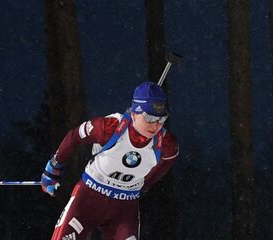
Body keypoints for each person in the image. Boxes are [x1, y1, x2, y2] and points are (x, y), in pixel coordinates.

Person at [42, 82, 179, 240]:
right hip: (88, 199)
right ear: (134, 113)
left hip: (124, 209)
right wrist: (53, 168)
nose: (155, 125)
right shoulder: (110, 127)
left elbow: (168, 161)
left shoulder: (166, 143)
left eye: (161, 119)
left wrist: (145, 185)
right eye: (149, 117)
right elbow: (75, 137)